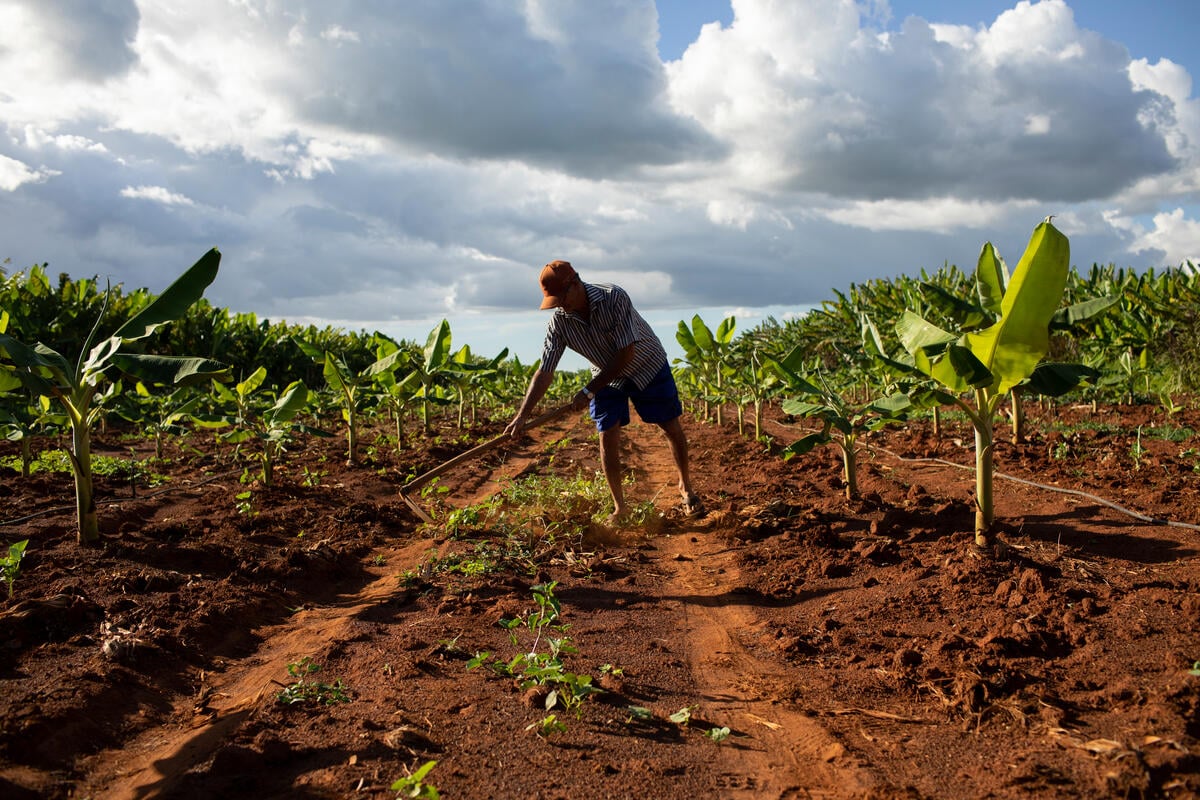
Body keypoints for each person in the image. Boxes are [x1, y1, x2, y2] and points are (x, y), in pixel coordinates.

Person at [504, 260, 702, 522]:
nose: (560, 306)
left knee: (669, 426)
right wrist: (522, 416)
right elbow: (545, 371)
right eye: (554, 302)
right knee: (606, 434)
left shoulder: (613, 297)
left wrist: (588, 391)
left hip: (646, 364)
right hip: (606, 376)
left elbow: (626, 354)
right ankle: (620, 508)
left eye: (561, 298)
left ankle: (686, 488)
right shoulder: (559, 323)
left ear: (575, 283)